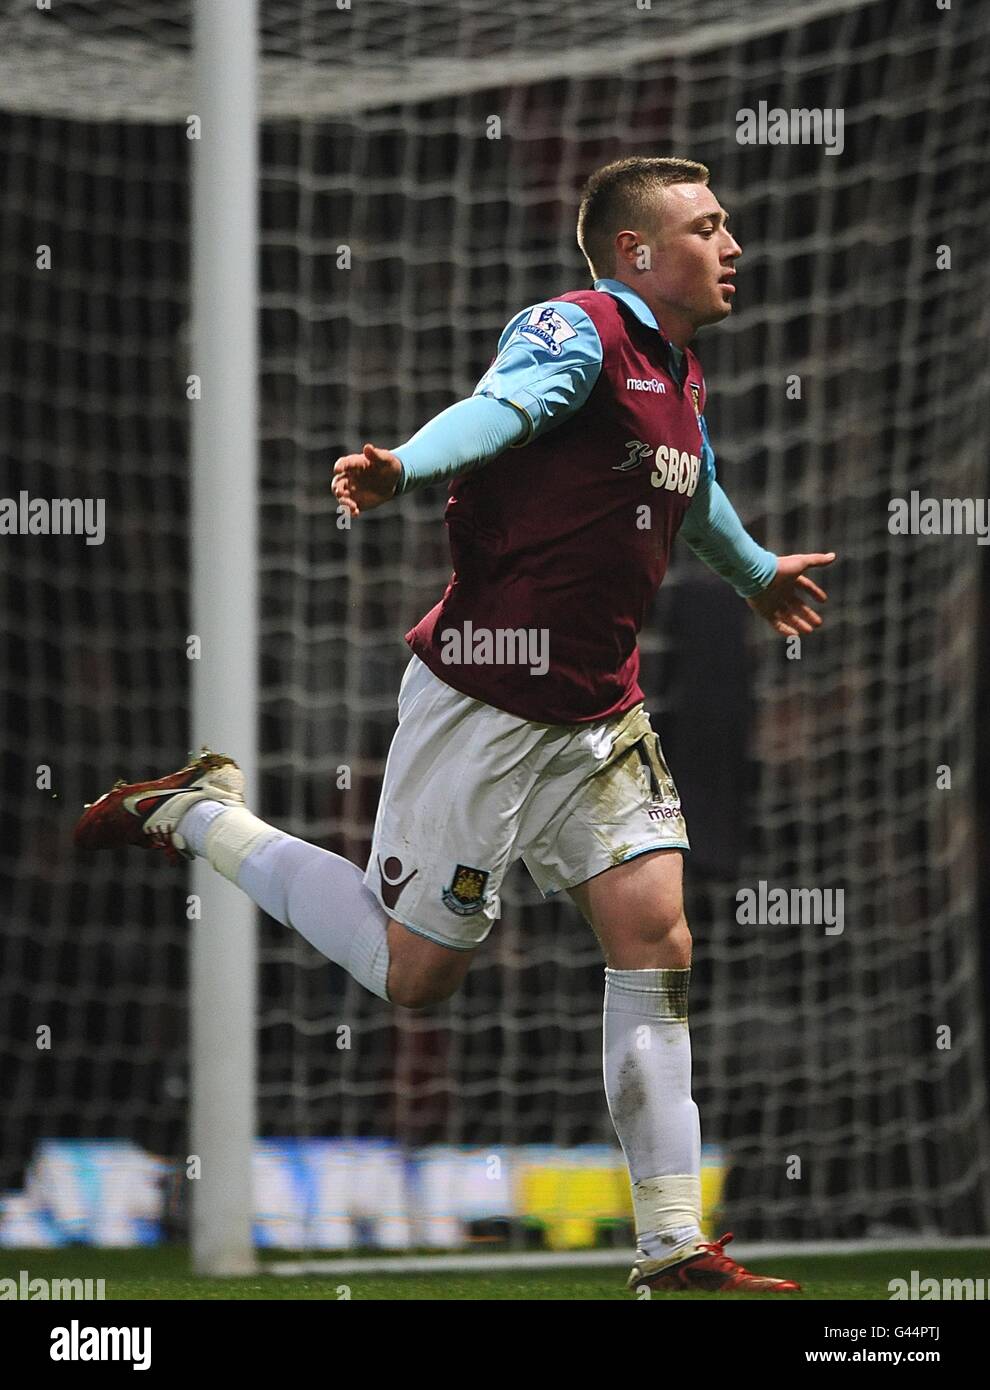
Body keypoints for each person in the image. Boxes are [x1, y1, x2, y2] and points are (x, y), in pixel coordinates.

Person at [76, 156, 834, 1293]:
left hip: (596, 711)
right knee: (414, 974)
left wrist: (757, 571)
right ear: (638, 253)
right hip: (485, 701)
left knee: (656, 933)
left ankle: (672, 1247)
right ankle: (195, 811)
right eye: (707, 225)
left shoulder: (681, 376)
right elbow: (502, 409)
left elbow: (699, 483)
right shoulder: (577, 330)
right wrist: (402, 465)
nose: (733, 244)